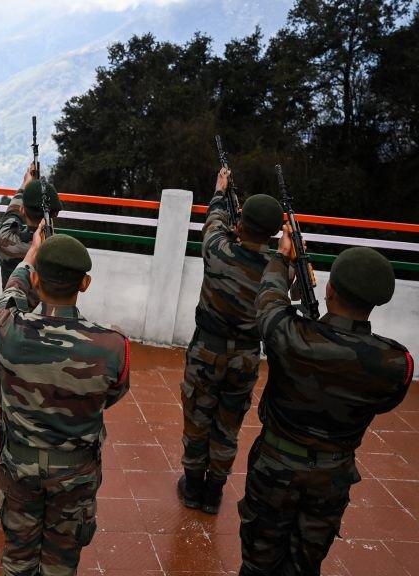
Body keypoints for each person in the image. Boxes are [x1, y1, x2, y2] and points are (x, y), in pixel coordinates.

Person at [239, 241, 413, 575]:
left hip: (275, 466)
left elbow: (268, 302)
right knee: (305, 563)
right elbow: (386, 403)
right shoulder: (395, 362)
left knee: (258, 561)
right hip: (332, 476)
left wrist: (282, 257)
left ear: (330, 289)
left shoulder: (291, 337)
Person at [0, 224, 130, 575]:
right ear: (84, 284)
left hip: (19, 466)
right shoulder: (111, 346)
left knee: (18, 557)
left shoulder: (7, 328)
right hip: (75, 473)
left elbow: (11, 294)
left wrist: (29, 257)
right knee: (61, 562)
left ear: (36, 280)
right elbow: (111, 395)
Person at [177, 167, 284, 514]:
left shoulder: (218, 252)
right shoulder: (278, 269)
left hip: (207, 350)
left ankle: (192, 486)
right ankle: (214, 492)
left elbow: (214, 221)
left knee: (197, 416)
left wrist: (221, 191)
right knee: (228, 424)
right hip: (246, 358)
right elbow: (293, 285)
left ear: (241, 224)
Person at [0, 164, 61, 289]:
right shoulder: (58, 248)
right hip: (47, 307)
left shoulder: (6, 239)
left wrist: (25, 184)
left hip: (12, 305)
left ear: (23, 210)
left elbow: (11, 214)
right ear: (56, 213)